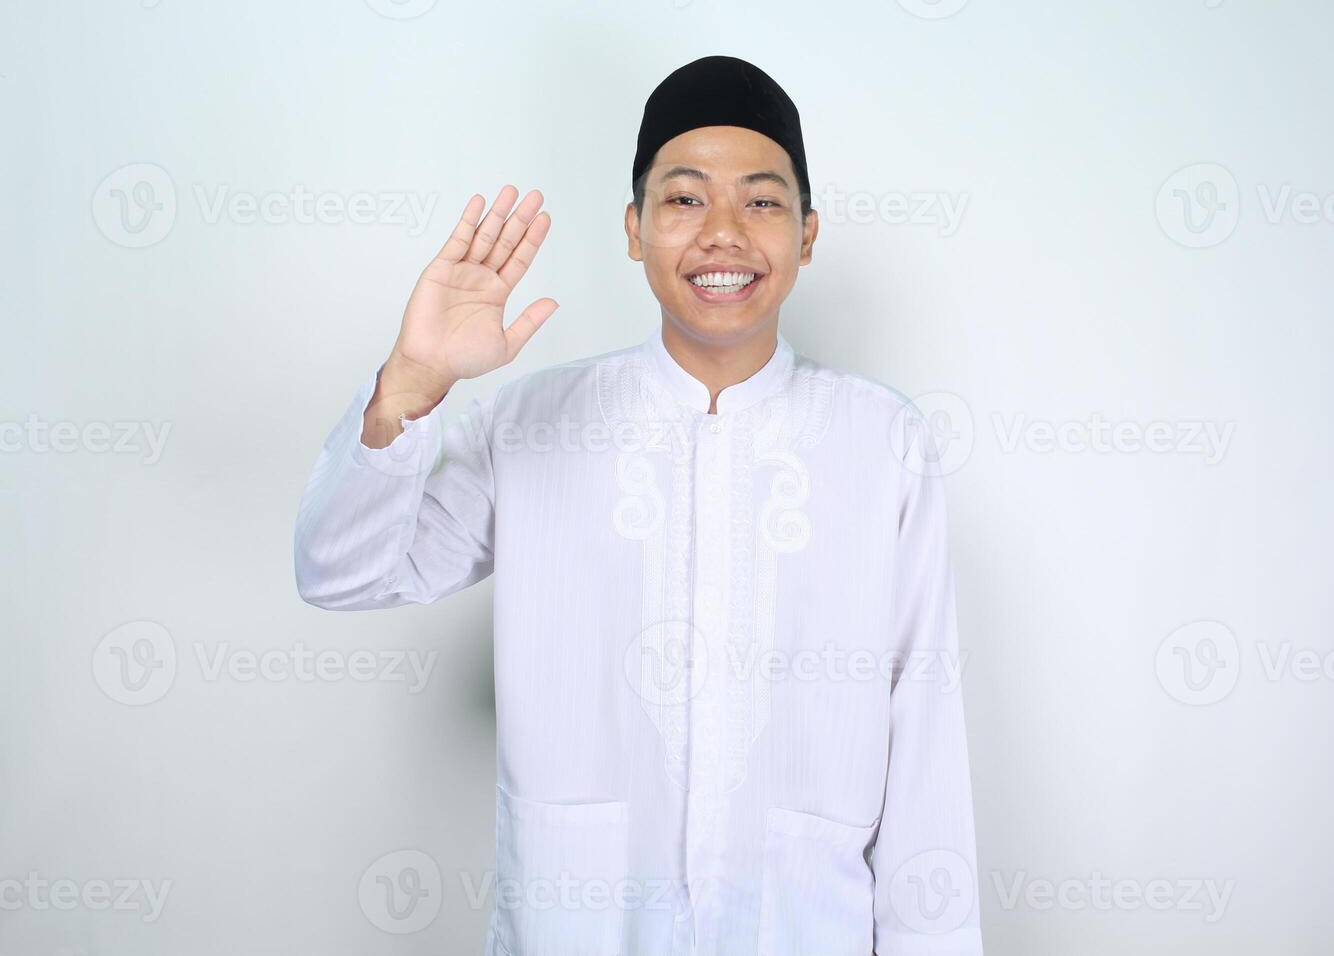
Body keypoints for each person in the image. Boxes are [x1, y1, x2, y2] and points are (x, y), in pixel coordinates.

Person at [293, 55, 982, 956]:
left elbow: (926, 739)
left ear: (807, 235)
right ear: (634, 227)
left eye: (763, 201)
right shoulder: (534, 421)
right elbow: (340, 574)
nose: (724, 234)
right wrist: (411, 386)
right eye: (685, 199)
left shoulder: (880, 443)